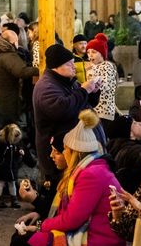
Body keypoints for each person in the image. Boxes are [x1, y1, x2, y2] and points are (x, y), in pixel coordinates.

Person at [11, 109, 126, 246]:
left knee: (21, 243)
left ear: (75, 153)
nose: (60, 154)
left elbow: (72, 219)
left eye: (64, 149)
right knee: (21, 239)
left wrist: (41, 226)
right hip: (88, 235)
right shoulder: (90, 169)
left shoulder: (91, 174)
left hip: (95, 244)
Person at [32, 43, 100, 192]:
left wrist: (93, 91)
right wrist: (84, 90)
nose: (74, 67)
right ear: (57, 67)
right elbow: (62, 110)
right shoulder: (46, 87)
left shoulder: (68, 82)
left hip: (70, 151)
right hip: (56, 155)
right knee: (58, 194)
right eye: (69, 64)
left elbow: (83, 103)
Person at [0, 27, 38, 125]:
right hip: (6, 100)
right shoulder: (8, 54)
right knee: (8, 129)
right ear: (13, 42)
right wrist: (40, 70)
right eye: (16, 41)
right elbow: (21, 71)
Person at [85, 34, 119, 121]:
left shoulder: (106, 66)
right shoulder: (93, 66)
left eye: (94, 52)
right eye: (88, 52)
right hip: (95, 110)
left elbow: (104, 86)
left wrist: (90, 73)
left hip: (104, 112)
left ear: (102, 54)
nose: (90, 55)